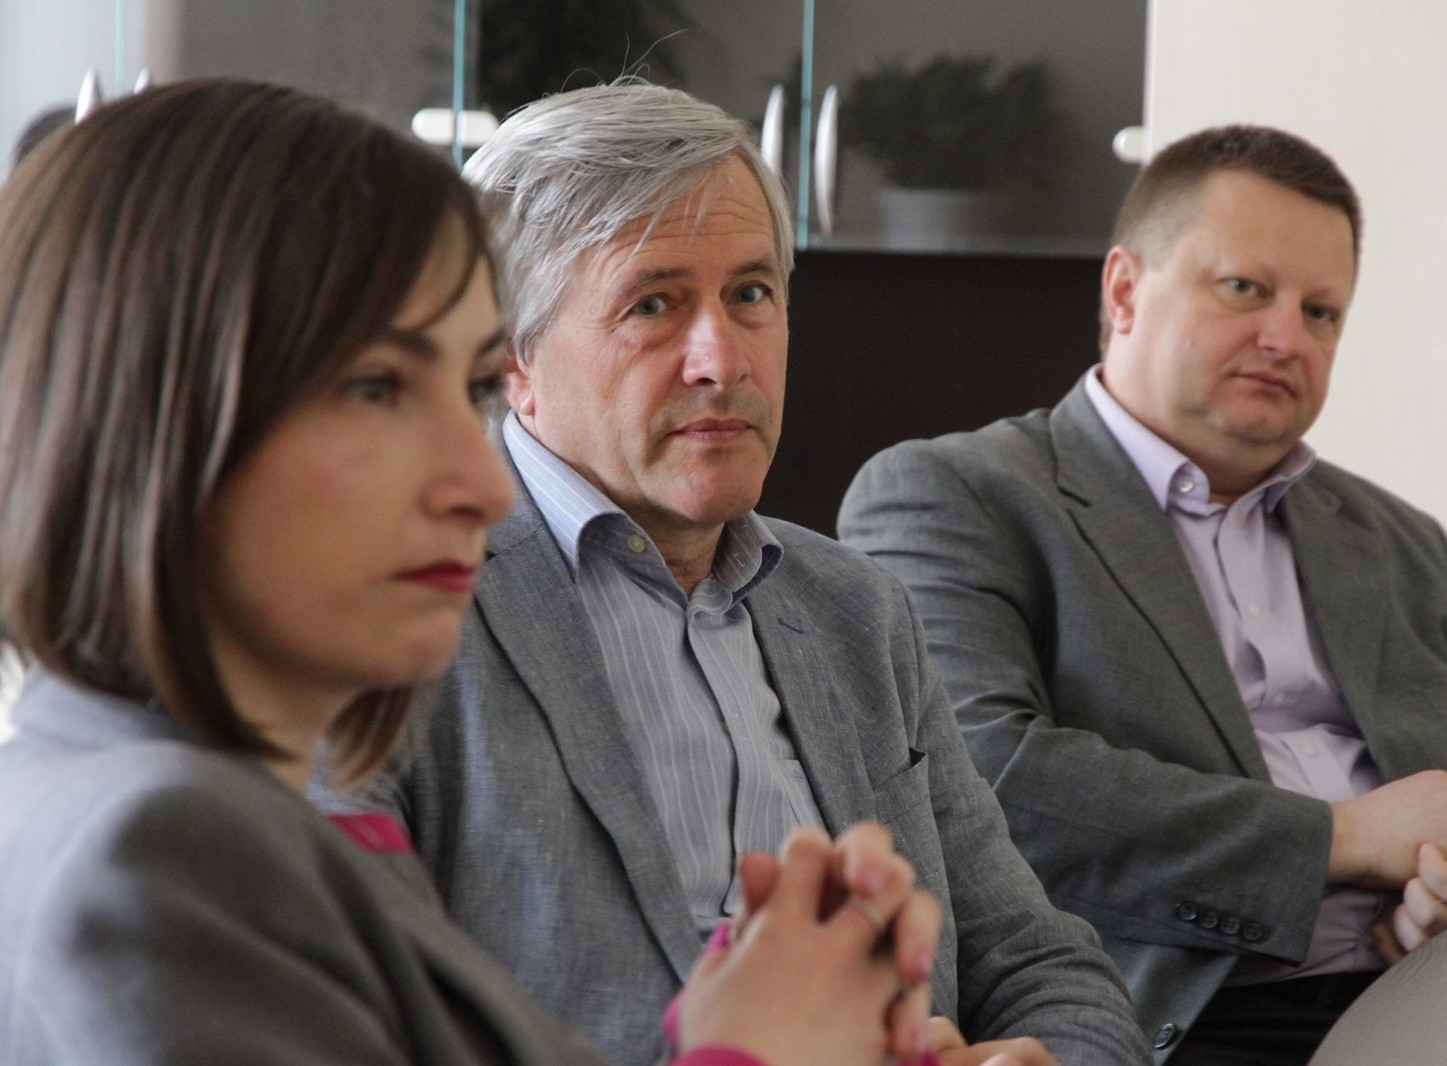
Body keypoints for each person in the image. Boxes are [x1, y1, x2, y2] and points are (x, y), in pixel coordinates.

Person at [0, 77, 948, 1066]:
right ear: (153, 418)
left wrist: (742, 1024)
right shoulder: (160, 854)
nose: (483, 486)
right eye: (378, 388)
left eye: (468, 386)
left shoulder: (232, 823)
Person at [317, 82, 1151, 1066]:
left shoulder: (855, 609)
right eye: (653, 305)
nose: (722, 359)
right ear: (512, 360)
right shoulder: (397, 612)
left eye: (751, 295)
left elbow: (1041, 958)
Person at [837, 124, 1447, 1065]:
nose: (1286, 338)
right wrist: (1340, 838)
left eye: (1322, 312)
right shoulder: (955, 495)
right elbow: (986, 781)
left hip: (1443, 1005)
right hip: (1183, 1023)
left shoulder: (1400, 542)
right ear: (1124, 290)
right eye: (1245, 289)